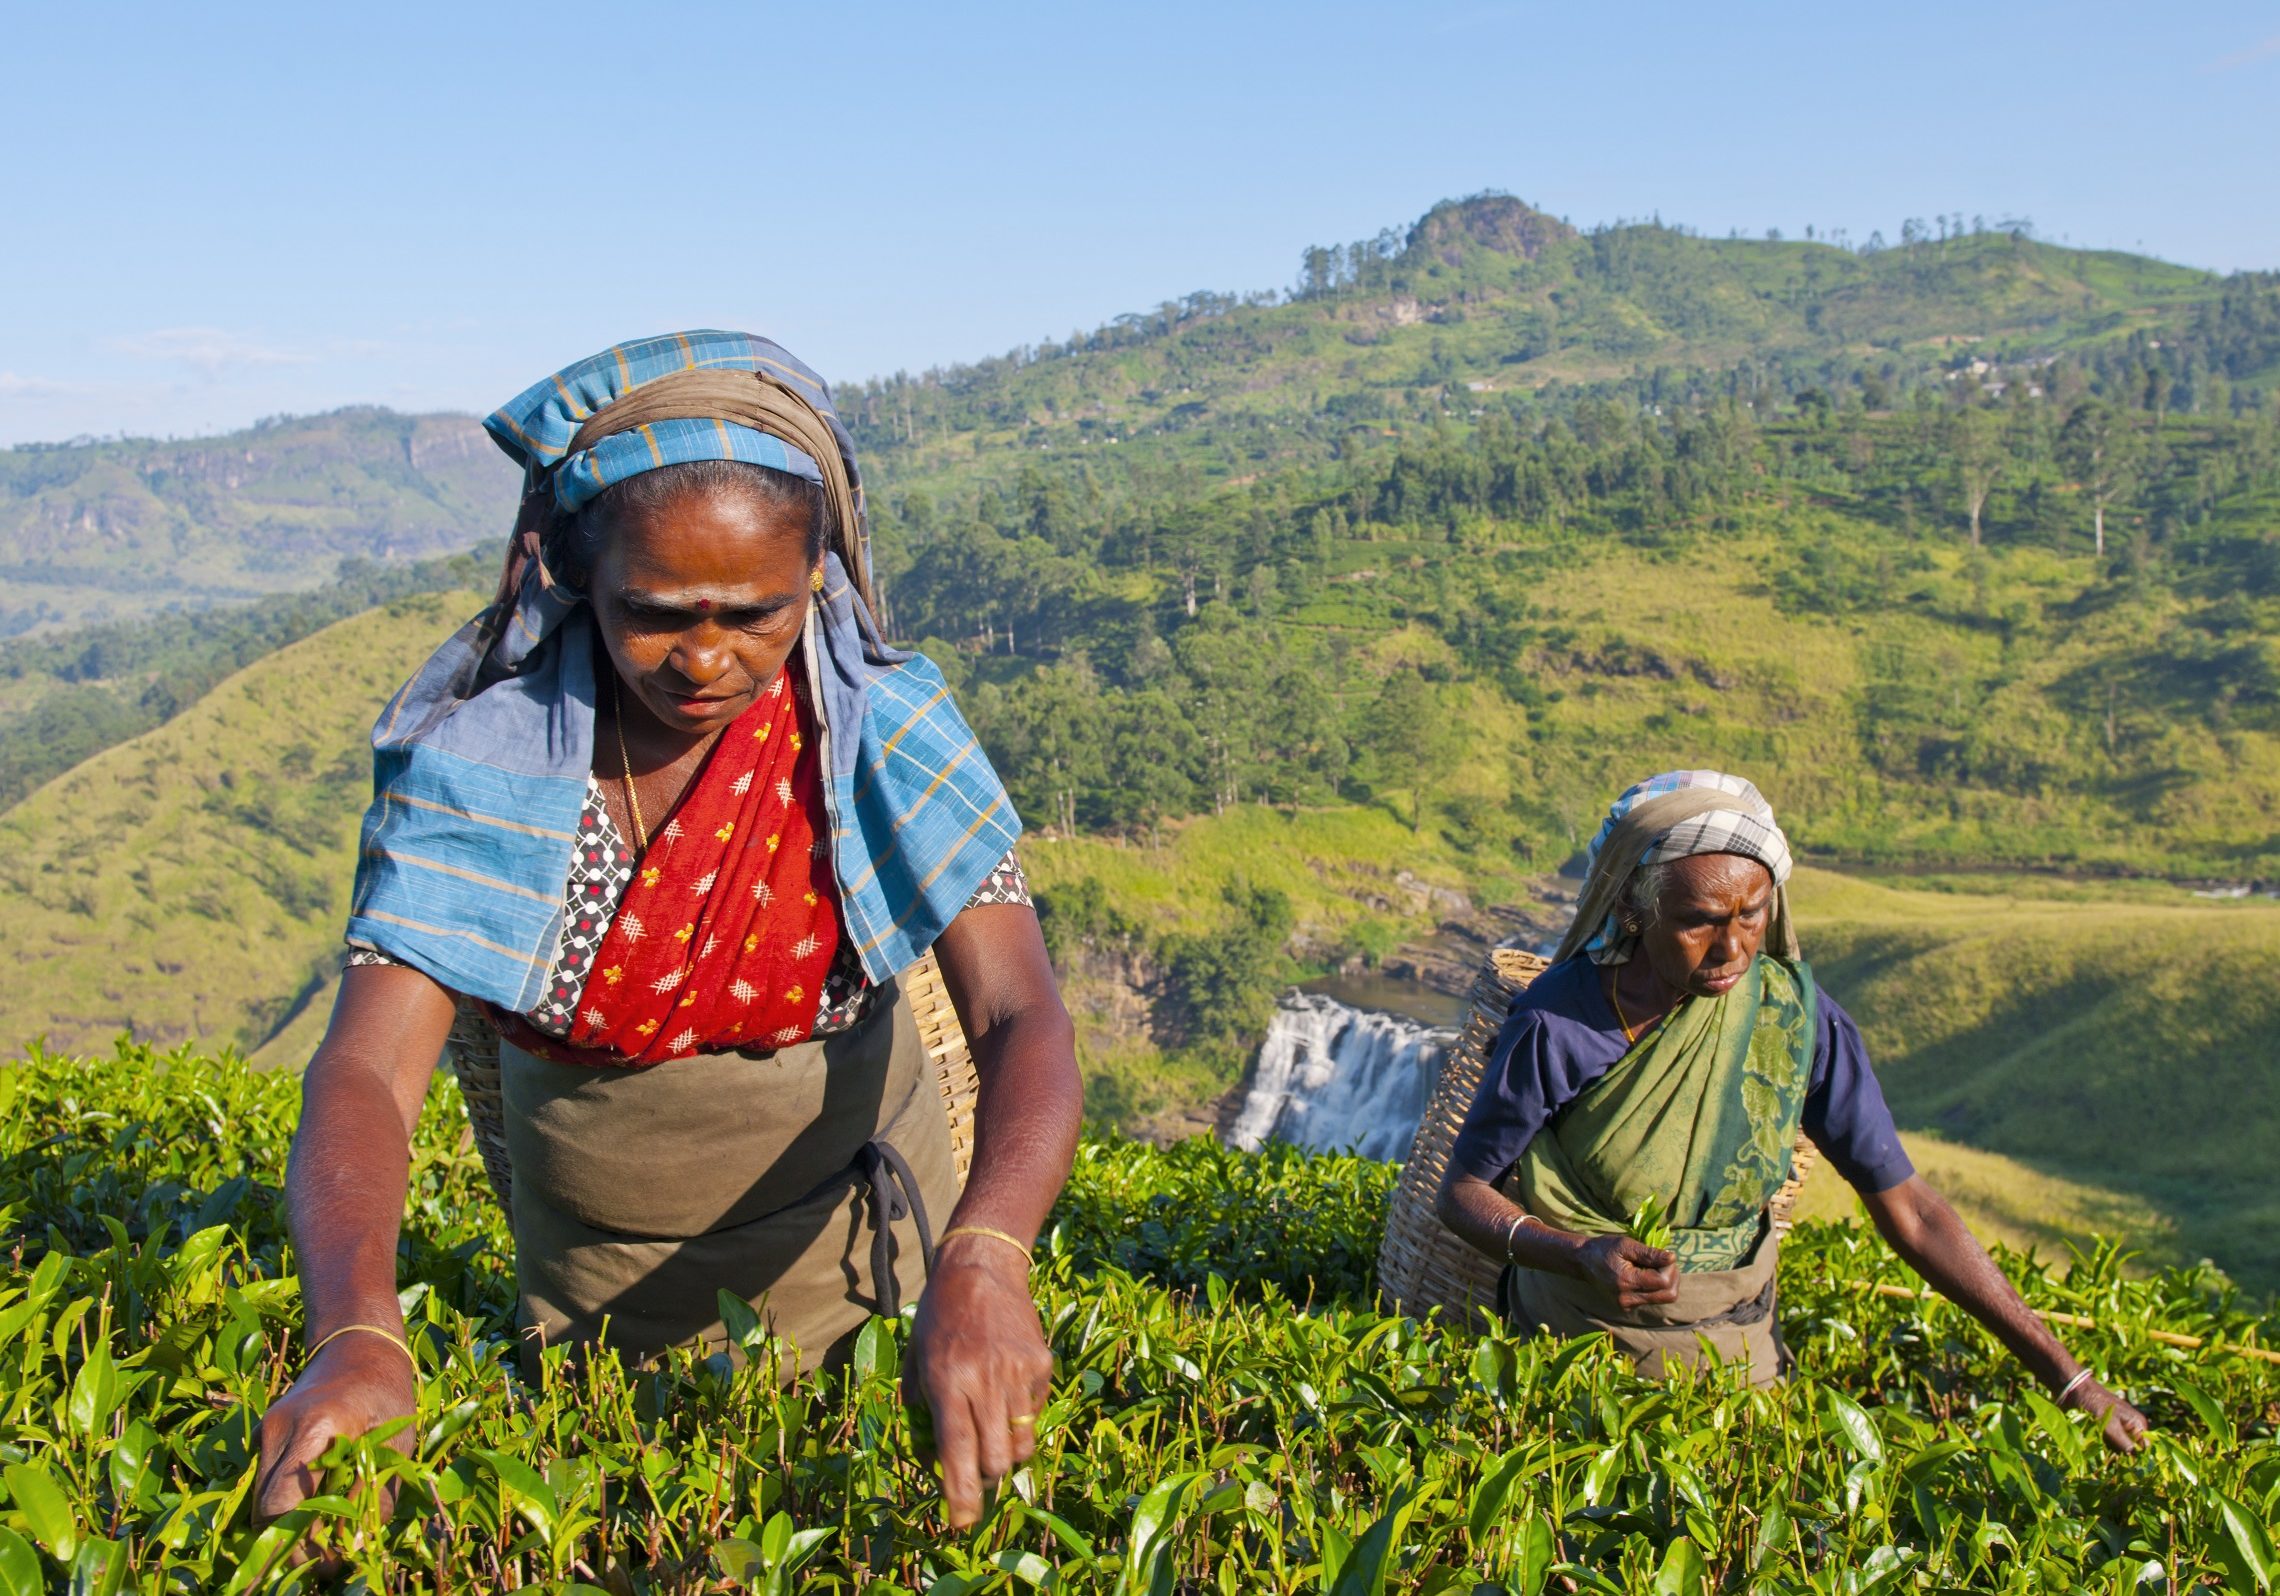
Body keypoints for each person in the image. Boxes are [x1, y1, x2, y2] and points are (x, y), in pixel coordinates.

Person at [255, 331, 1081, 1528]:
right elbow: (369, 1070)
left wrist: (988, 1253)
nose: (705, 659)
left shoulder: (879, 735)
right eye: (656, 613)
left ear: (822, 580)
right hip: (588, 1280)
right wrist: (356, 1329)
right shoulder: (483, 771)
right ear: (579, 577)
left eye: (756, 613)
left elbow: (1021, 1012)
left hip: (874, 1266)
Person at [1437, 770, 2147, 1452]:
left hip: (1743, 1360)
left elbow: (1913, 1212)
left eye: (1752, 913)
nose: (1734, 946)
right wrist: (1576, 1254)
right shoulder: (1560, 1025)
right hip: (1576, 1349)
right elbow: (1463, 1195)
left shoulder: (1797, 1023)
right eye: (1699, 921)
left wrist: (2070, 1379)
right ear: (1631, 909)